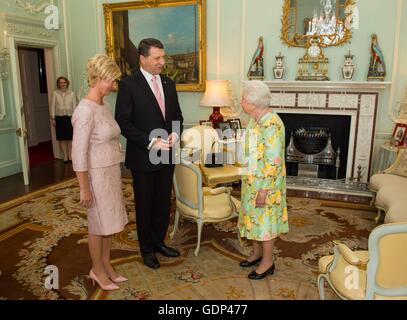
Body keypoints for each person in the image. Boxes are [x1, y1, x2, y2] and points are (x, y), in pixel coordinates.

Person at [115, 38, 184, 269]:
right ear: (143, 59)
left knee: (163, 203)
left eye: (163, 57)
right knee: (145, 205)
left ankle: (159, 242)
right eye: (157, 58)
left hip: (167, 155)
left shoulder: (168, 83)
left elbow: (177, 116)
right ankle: (146, 250)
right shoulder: (128, 84)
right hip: (143, 156)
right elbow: (123, 122)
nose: (162, 62)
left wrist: (175, 134)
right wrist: (150, 142)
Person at [71, 54, 128, 291]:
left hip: (111, 173)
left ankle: (106, 265)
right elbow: (78, 152)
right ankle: (96, 269)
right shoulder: (85, 110)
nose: (114, 86)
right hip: (95, 176)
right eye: (111, 81)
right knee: (98, 225)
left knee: (110, 224)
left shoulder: (102, 106)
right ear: (98, 78)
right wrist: (84, 187)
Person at [238, 80, 289, 280]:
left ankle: (267, 262)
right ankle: (257, 254)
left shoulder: (272, 124)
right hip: (252, 182)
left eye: (243, 98)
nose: (241, 101)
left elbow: (274, 161)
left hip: (266, 185)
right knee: (253, 219)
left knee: (266, 223)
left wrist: (264, 190)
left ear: (253, 102)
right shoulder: (254, 119)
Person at [51, 76, 77, 163]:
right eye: (61, 83)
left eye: (64, 82)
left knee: (70, 138)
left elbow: (75, 106)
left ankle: (70, 155)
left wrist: (75, 118)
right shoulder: (55, 93)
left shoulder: (72, 93)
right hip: (59, 118)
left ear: (67, 83)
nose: (63, 84)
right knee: (62, 138)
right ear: (58, 84)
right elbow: (52, 106)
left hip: (70, 117)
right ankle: (65, 156)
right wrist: (53, 118)